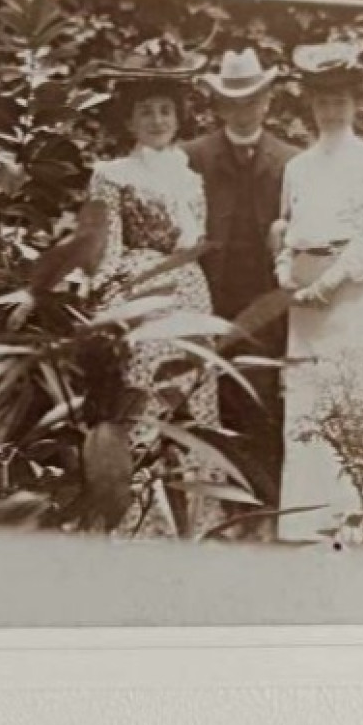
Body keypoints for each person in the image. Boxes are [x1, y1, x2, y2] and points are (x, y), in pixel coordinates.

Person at [273, 41, 363, 546]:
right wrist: (285, 268)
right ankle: (308, 522)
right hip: (307, 304)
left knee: (359, 397)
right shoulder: (298, 167)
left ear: (357, 103)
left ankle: (361, 518)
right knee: (309, 401)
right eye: (321, 101)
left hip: (355, 294)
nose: (330, 110)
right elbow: (287, 228)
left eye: (340, 100)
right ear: (310, 105)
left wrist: (331, 281)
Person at [87, 50, 225, 538]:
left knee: (195, 404)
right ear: (129, 119)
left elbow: (198, 239)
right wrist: (113, 307)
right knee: (143, 406)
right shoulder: (112, 174)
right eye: (146, 111)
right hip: (142, 297)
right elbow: (105, 249)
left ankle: (205, 522)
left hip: (191, 294)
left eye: (165, 110)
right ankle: (143, 525)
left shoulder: (191, 175)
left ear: (178, 115)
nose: (157, 120)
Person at [183, 48, 299, 525]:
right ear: (219, 107)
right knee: (210, 403)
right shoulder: (192, 157)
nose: (244, 109)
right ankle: (221, 509)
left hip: (268, 307)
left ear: (268, 102)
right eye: (234, 101)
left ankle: (265, 509)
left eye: (253, 99)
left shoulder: (292, 161)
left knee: (264, 399)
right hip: (208, 297)